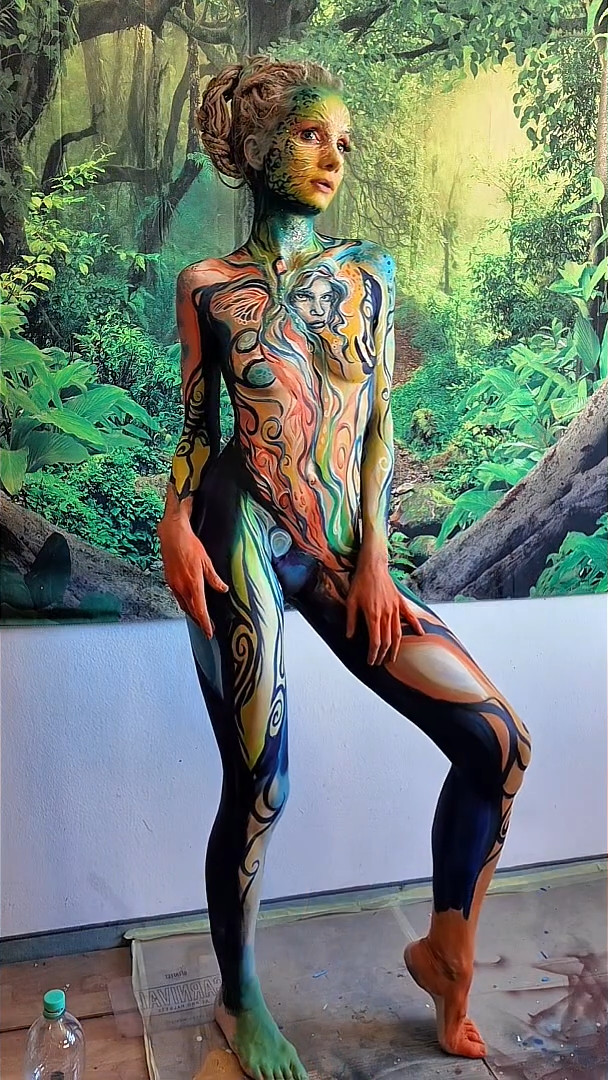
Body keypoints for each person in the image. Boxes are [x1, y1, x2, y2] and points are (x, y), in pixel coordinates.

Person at [157, 55, 532, 1080]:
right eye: (313, 135)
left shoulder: (368, 273)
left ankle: (444, 951)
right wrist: (174, 519)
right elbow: (196, 429)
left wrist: (375, 556)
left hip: (334, 546)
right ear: (258, 145)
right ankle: (239, 1000)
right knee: (261, 782)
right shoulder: (206, 288)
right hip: (235, 524)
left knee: (497, 743)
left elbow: (375, 425)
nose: (334, 157)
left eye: (343, 143)